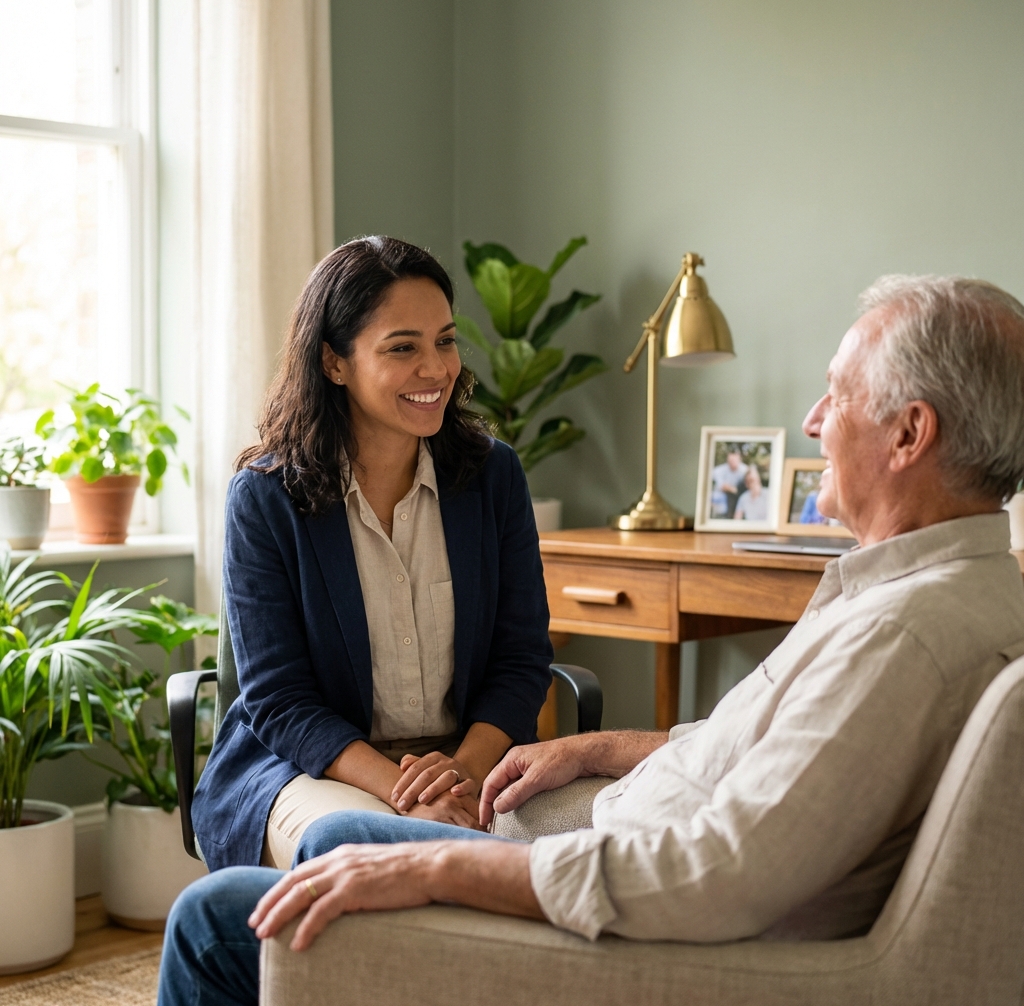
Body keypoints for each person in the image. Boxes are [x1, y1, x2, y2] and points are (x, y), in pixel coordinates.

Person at [160, 274, 1024, 1006]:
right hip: (547, 828)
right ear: (334, 363)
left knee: (219, 918)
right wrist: (602, 747)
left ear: (910, 434)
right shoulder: (934, 597)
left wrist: (439, 867)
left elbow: (714, 872)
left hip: (632, 915)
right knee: (304, 863)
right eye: (401, 346)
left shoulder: (904, 633)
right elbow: (787, 751)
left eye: (837, 394)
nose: (811, 419)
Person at [189, 236, 553, 874]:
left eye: (444, 340)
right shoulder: (266, 498)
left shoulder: (494, 477)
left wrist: (461, 774)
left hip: (469, 759)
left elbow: (520, 659)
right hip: (311, 768)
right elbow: (280, 701)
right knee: (363, 849)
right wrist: (405, 794)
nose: (437, 370)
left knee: (609, 823)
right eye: (402, 348)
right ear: (334, 363)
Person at [710, 446, 747, 518]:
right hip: (723, 495)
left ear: (739, 459)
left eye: (735, 460)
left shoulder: (744, 470)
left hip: (737, 496)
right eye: (730, 460)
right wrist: (735, 490)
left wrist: (736, 490)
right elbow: (723, 487)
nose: (732, 462)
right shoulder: (719, 470)